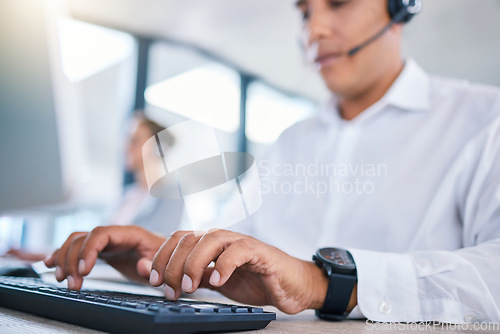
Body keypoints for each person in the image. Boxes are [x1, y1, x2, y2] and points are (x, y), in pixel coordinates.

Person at [44, 0, 500, 323]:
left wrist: (326, 283)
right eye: (304, 10)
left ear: (401, 7)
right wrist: (167, 257)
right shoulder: (290, 143)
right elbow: (231, 265)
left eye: (337, 3)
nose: (312, 30)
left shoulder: (484, 120)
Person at [5, 114, 183, 262]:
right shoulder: (129, 196)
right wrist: (43, 256)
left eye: (134, 140)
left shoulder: (170, 195)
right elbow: (97, 245)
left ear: (156, 148)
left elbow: (145, 252)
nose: (124, 147)